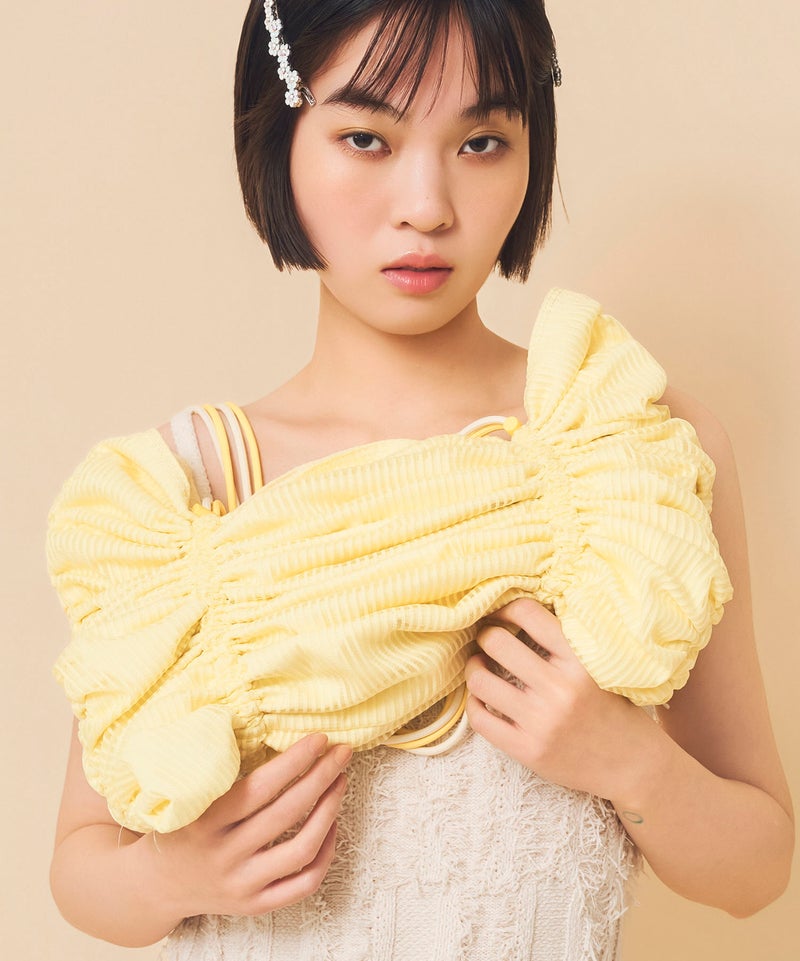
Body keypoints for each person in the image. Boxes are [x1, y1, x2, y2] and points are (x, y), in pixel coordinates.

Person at [47, 2, 794, 959]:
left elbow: (757, 867)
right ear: (278, 138)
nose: (428, 205)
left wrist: (632, 764)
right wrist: (171, 874)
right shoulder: (183, 496)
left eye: (482, 142)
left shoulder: (627, 448)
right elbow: (80, 866)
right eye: (367, 138)